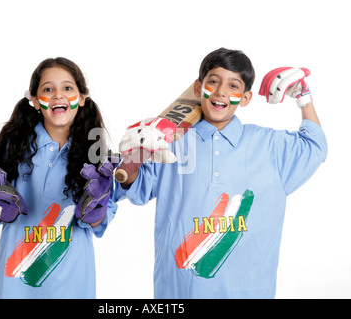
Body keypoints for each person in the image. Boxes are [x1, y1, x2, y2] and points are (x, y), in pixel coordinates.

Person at [115, 48, 328, 298]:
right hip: (180, 291)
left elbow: (316, 146)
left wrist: (304, 97)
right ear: (198, 88)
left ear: (246, 98)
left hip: (250, 291)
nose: (221, 92)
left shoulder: (269, 144)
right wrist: (133, 157)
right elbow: (131, 185)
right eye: (213, 81)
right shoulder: (168, 143)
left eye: (233, 85)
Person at [0, 57, 118, 298]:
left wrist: (97, 213)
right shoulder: (13, 149)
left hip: (72, 284)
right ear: (36, 102)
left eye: (67, 88)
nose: (58, 95)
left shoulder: (96, 155)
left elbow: (101, 226)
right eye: (48, 89)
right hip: (13, 286)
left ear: (81, 98)